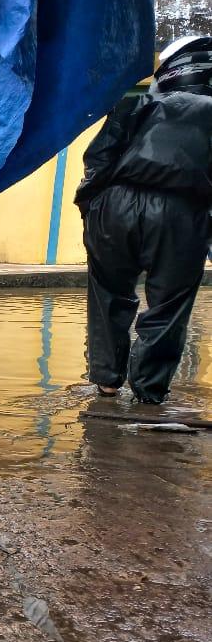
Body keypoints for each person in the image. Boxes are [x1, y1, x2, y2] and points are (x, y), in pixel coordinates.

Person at [74, 35, 212, 404]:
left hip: (114, 205)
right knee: (169, 306)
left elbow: (97, 158)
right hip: (181, 213)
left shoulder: (135, 102)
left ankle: (106, 381)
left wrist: (90, 208)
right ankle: (149, 393)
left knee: (107, 294)